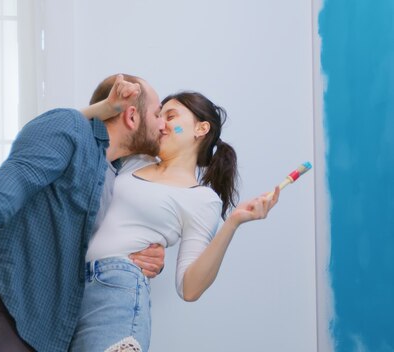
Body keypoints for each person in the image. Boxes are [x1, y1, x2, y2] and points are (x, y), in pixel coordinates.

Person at [0, 74, 168, 351]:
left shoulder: (112, 176)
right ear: (132, 116)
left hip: (42, 333)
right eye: (158, 113)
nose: (164, 124)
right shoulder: (70, 126)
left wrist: (146, 255)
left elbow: (103, 243)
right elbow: (20, 174)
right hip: (4, 311)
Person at [69, 76, 280, 351]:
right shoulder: (134, 160)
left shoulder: (202, 200)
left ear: (201, 128)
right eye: (158, 115)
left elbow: (189, 288)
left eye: (170, 115)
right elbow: (81, 132)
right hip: (71, 287)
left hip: (117, 296)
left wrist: (233, 223)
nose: (161, 123)